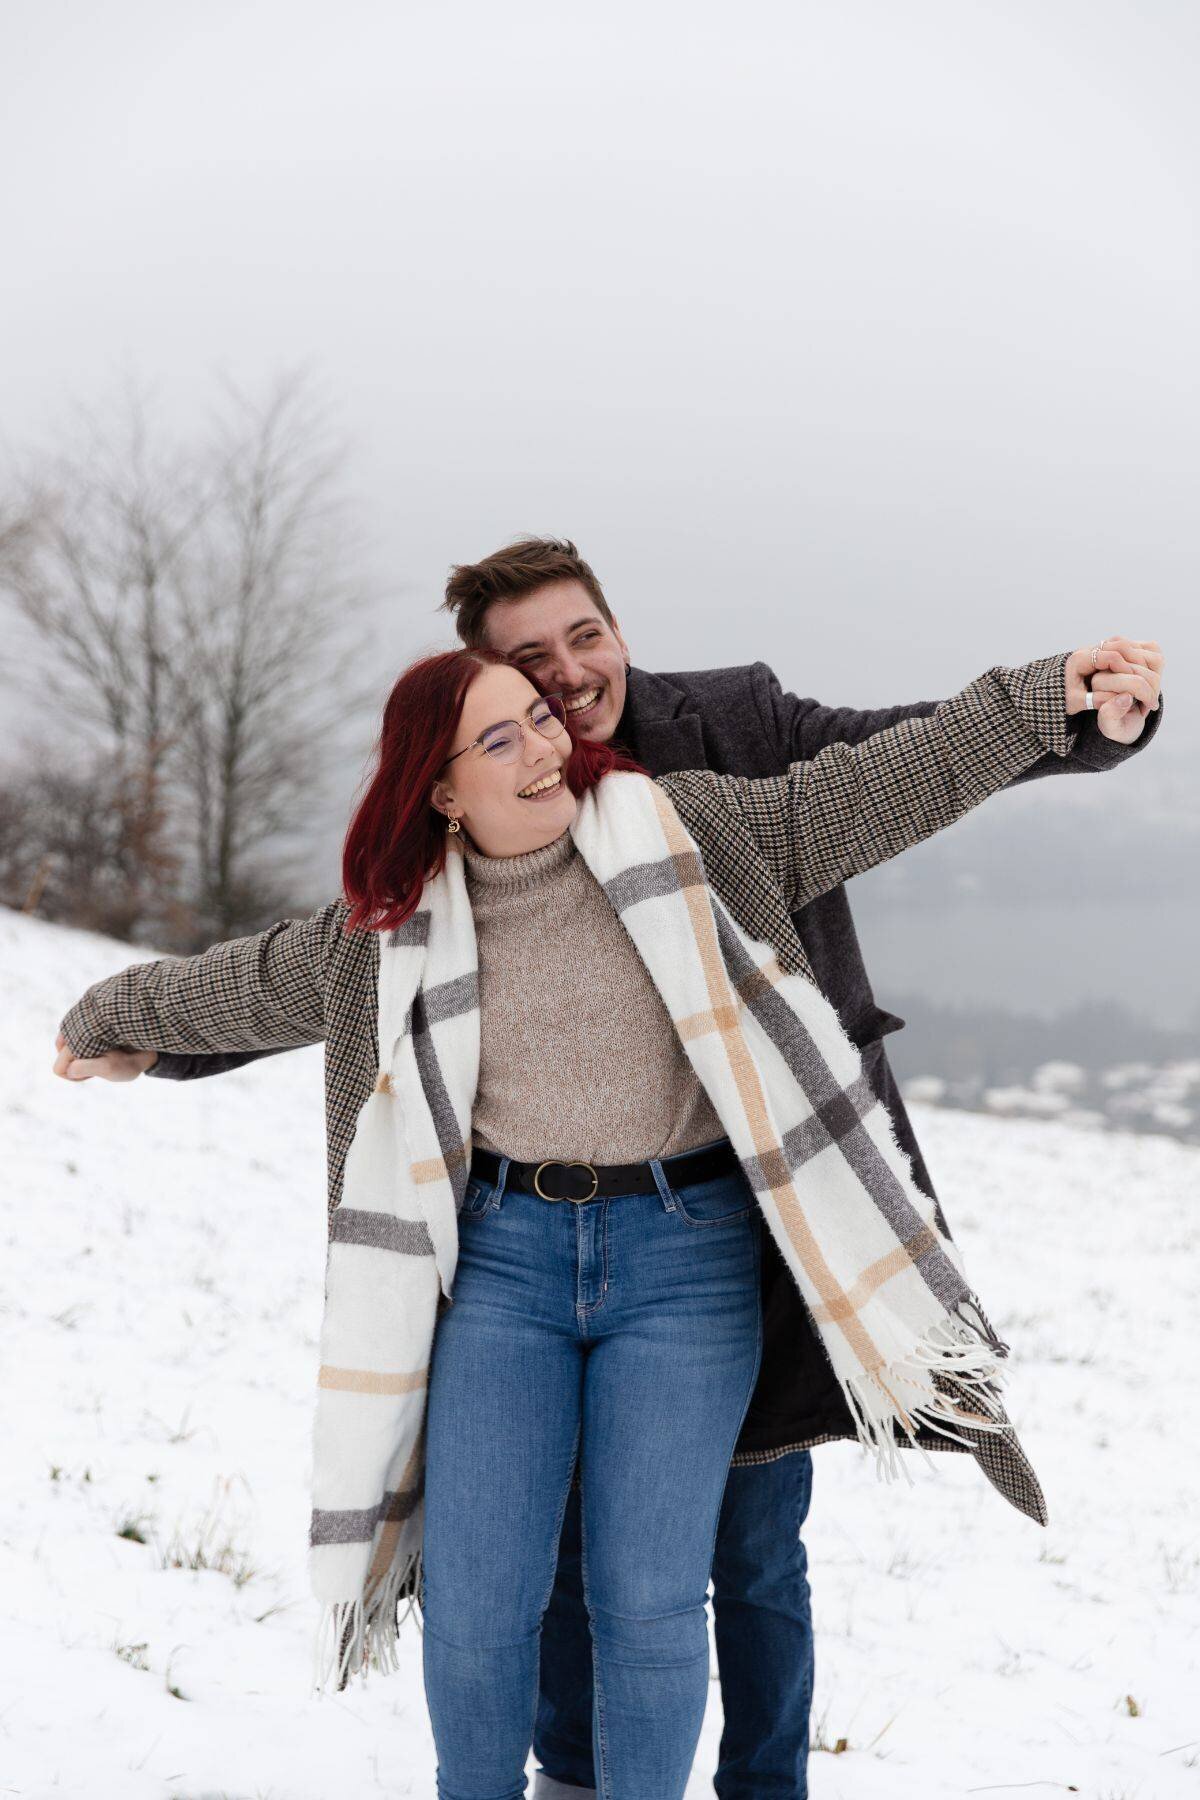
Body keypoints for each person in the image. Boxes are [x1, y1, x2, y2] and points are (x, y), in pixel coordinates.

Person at [56, 543, 1165, 1800]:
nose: (546, 745)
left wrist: (1042, 697)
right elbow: (249, 984)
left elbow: (882, 781)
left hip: (685, 1260)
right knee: (480, 1601)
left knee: (649, 1601)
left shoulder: (691, 832)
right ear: (441, 794)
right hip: (503, 1269)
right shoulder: (394, 934)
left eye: (543, 719)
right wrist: (116, 1016)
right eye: (505, 735)